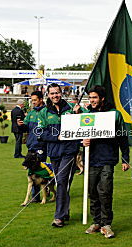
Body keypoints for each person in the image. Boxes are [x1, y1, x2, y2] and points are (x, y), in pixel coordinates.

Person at [82, 86, 130, 238]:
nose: (92, 101)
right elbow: (78, 135)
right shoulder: (87, 114)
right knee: (92, 193)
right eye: (90, 98)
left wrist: (125, 159)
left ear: (102, 98)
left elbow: (123, 137)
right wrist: (82, 142)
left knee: (105, 192)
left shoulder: (115, 114)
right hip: (91, 159)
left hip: (107, 159)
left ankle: (106, 224)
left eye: (94, 97)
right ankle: (96, 222)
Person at [37, 83, 81, 227]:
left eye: (57, 93)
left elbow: (87, 121)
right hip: (54, 153)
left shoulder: (71, 109)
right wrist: (57, 137)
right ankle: (65, 211)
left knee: (61, 181)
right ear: (48, 95)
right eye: (52, 93)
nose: (55, 95)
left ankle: (59, 217)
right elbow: (40, 133)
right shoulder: (44, 112)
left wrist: (79, 114)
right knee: (62, 183)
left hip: (69, 152)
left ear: (61, 93)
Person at [17, 91, 47, 202]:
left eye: (35, 100)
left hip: (42, 146)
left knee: (39, 171)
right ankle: (36, 196)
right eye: (32, 100)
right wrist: (21, 126)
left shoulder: (46, 112)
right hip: (31, 145)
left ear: (41, 99)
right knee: (31, 171)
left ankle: (41, 194)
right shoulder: (31, 113)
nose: (33, 102)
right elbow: (26, 128)